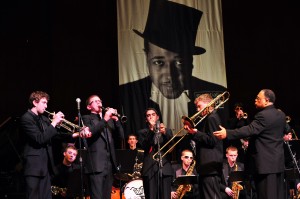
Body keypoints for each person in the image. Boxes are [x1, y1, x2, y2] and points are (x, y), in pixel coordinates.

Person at [119, 0, 228, 137]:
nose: (169, 74)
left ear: (191, 62)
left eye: (179, 62)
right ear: (146, 58)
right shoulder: (127, 90)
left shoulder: (219, 91)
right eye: (158, 62)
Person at [213, 89, 286, 199]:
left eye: (258, 98)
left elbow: (249, 130)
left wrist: (227, 133)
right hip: (278, 163)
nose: (255, 100)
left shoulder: (263, 115)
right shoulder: (281, 115)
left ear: (266, 100)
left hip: (265, 166)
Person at [20, 91, 91, 199]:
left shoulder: (43, 119)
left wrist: (77, 134)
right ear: (35, 102)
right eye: (43, 103)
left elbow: (56, 135)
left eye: (46, 103)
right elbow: (40, 139)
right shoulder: (26, 118)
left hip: (45, 168)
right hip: (33, 168)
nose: (46, 106)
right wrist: (53, 123)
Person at [82, 94, 125, 199]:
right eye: (95, 101)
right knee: (97, 196)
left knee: (107, 196)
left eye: (100, 100)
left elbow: (122, 136)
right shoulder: (86, 118)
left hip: (109, 164)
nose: (99, 102)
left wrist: (117, 121)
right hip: (95, 165)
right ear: (89, 107)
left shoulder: (109, 120)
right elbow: (91, 132)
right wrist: (105, 119)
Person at [184, 93, 224, 199]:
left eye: (199, 106)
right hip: (206, 168)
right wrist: (193, 133)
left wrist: (196, 133)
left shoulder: (212, 117)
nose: (197, 110)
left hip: (210, 168)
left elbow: (213, 140)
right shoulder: (208, 118)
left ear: (208, 104)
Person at [137, 108, 173, 199]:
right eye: (148, 115)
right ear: (146, 119)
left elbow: (172, 147)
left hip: (164, 168)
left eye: (153, 114)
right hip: (149, 169)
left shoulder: (167, 131)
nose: (151, 117)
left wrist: (164, 133)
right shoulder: (142, 133)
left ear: (157, 117)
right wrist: (152, 131)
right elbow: (144, 146)